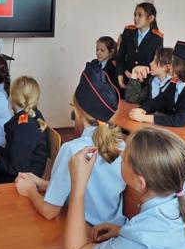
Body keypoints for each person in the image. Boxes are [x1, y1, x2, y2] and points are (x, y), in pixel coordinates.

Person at [16, 63, 125, 225]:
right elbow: (90, 190)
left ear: (76, 112)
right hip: (114, 229)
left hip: (83, 230)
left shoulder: (72, 149)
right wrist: (41, 183)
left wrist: (30, 190)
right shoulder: (122, 145)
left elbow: (49, 211)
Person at [130, 41, 185, 167]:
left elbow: (179, 120)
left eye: (172, 63)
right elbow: (158, 101)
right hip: (176, 140)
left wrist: (145, 118)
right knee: (146, 151)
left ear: (181, 66)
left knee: (155, 158)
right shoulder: (174, 83)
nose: (169, 66)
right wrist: (142, 109)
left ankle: (166, 185)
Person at [115, 2, 164, 104]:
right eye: (135, 15)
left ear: (150, 18)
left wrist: (141, 78)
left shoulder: (157, 38)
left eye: (140, 15)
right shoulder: (128, 32)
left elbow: (156, 64)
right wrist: (120, 75)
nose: (136, 18)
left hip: (143, 85)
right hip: (125, 81)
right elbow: (120, 57)